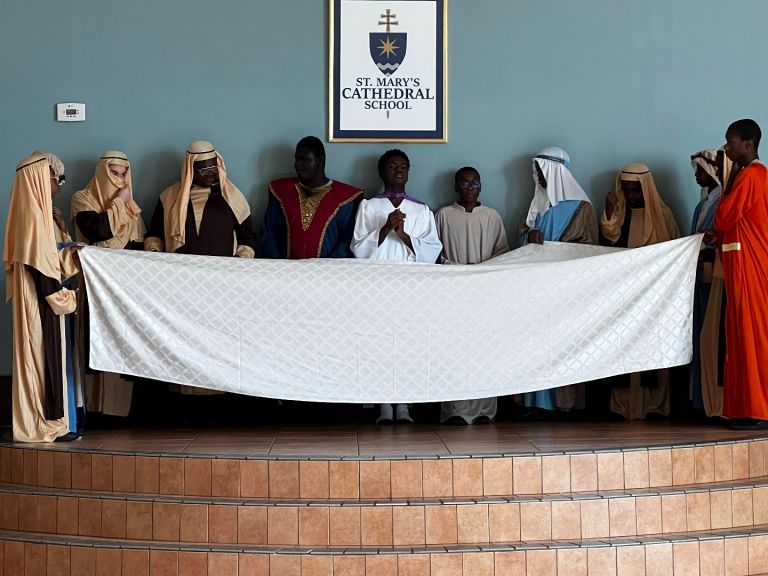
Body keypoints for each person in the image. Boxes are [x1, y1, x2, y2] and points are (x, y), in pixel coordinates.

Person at [144, 141, 256, 409]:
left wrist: (241, 259)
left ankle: (221, 404)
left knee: (219, 345)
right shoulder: (169, 197)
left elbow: (249, 237)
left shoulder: (232, 196)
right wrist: (155, 252)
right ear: (190, 168)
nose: (210, 173)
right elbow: (155, 234)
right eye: (203, 168)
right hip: (181, 289)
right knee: (184, 343)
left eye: (213, 167)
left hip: (223, 288)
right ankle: (185, 404)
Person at [352, 149, 442, 423]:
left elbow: (433, 249)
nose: (398, 169)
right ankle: (383, 406)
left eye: (403, 165)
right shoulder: (369, 207)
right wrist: (384, 229)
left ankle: (404, 404)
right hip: (376, 286)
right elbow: (357, 246)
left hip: (410, 286)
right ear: (382, 172)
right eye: (392, 165)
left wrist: (402, 234)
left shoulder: (421, 210)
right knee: (379, 344)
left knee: (406, 345)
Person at [3, 152, 82, 442]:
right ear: (39, 178)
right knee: (40, 358)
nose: (59, 185)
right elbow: (42, 270)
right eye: (56, 178)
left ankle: (47, 423)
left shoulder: (35, 213)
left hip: (37, 298)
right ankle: (42, 426)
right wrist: (65, 298)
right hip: (40, 301)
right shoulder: (33, 217)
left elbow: (48, 258)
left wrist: (69, 250)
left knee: (40, 358)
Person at [519, 148, 597, 416]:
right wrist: (530, 235)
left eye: (542, 172)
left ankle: (566, 404)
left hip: (567, 288)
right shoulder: (538, 203)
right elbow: (523, 238)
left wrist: (557, 251)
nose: (538, 177)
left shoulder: (581, 207)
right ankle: (537, 403)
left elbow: (588, 248)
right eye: (536, 172)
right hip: (537, 286)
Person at [600, 164, 680, 420]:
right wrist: (610, 213)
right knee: (624, 350)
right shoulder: (619, 214)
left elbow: (673, 255)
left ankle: (656, 405)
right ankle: (624, 406)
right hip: (623, 296)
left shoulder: (663, 216)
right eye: (628, 191)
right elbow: (608, 244)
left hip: (654, 298)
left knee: (652, 350)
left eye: (636, 191)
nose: (632, 196)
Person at [71, 151, 146, 420]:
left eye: (124, 174)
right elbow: (99, 231)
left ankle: (119, 411)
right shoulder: (82, 199)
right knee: (95, 342)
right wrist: (118, 202)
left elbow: (137, 246)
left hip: (124, 290)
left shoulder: (131, 208)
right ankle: (93, 411)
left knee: (122, 343)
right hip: (93, 286)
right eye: (114, 173)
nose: (120, 179)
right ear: (103, 172)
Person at [435, 166, 507, 425]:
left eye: (474, 182)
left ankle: (484, 410)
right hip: (452, 292)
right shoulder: (443, 215)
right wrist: (455, 271)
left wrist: (482, 274)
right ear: (456, 187)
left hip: (484, 292)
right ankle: (456, 409)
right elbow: (435, 253)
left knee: (483, 351)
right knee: (454, 350)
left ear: (481, 186)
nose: (469, 187)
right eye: (464, 183)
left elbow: (501, 253)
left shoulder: (492, 216)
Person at [710, 119, 768, 430]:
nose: (727, 148)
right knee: (741, 338)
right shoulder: (750, 176)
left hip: (752, 267)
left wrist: (726, 183)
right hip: (743, 267)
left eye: (730, 142)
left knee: (751, 337)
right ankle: (745, 406)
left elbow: (724, 216)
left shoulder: (751, 177)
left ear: (748, 143)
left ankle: (759, 409)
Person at [262, 136, 363, 259]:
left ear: (320, 160)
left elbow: (346, 240)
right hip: (284, 271)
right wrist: (278, 264)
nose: (298, 164)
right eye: (297, 159)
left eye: (305, 160)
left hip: (327, 273)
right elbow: (269, 233)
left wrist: (327, 268)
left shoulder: (343, 198)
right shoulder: (282, 192)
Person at [689, 149, 731, 418]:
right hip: (700, 277)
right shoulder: (702, 204)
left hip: (718, 276)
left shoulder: (723, 202)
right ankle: (702, 402)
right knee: (702, 337)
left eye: (701, 170)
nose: (696, 175)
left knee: (715, 338)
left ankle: (719, 403)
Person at [521, 147, 597, 246]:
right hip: (538, 259)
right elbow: (525, 229)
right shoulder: (538, 201)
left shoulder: (583, 207)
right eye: (537, 171)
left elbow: (591, 246)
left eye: (541, 171)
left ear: (555, 172)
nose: (538, 175)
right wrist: (531, 233)